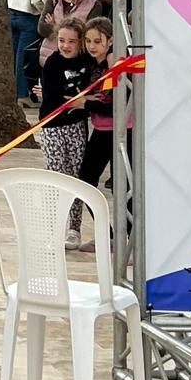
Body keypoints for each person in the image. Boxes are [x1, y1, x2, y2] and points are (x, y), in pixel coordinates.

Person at [37, 20, 94, 249]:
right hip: (52, 127)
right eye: (61, 40)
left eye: (71, 41)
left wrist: (82, 102)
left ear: (80, 42)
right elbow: (52, 95)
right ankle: (53, 228)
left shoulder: (87, 62)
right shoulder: (52, 62)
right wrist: (75, 99)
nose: (66, 46)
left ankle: (74, 228)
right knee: (55, 177)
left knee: (75, 177)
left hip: (76, 125)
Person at [76, 18, 126, 254]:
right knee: (85, 180)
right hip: (101, 130)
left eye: (98, 41)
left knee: (123, 186)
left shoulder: (114, 63)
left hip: (121, 131)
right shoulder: (93, 65)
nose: (92, 45)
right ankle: (106, 236)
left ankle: (127, 243)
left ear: (111, 41)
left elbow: (115, 106)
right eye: (88, 41)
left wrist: (84, 104)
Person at [36, 0, 105, 83]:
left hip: (76, 65)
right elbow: (41, 28)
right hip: (49, 60)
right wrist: (72, 32)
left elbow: (87, 36)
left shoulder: (95, 5)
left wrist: (55, 26)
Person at [5, 0, 45, 102]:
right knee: (23, 58)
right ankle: (22, 94)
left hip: (10, 14)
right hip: (28, 18)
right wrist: (43, 11)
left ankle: (14, 93)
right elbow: (35, 0)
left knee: (13, 56)